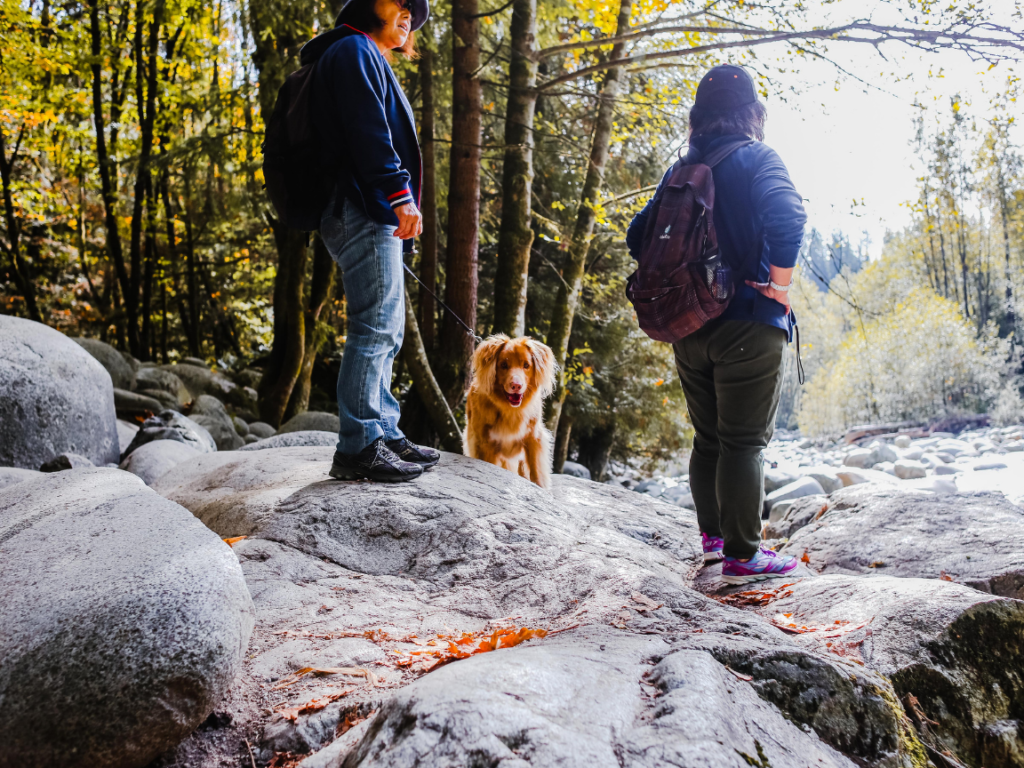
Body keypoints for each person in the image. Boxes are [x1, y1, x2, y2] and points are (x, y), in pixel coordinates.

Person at [626, 64, 807, 584]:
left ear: (698, 119)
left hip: (688, 324)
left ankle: (712, 545)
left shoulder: (680, 170)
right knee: (744, 442)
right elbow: (788, 216)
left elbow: (638, 237)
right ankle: (743, 555)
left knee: (708, 439)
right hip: (749, 320)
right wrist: (779, 285)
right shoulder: (757, 158)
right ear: (752, 113)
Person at [308, 0, 439, 482]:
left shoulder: (362, 54)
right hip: (362, 206)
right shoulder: (355, 51)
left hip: (364, 207)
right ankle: (359, 445)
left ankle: (382, 429)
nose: (408, 13)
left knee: (388, 327)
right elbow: (369, 133)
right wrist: (399, 194)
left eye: (414, 11)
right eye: (399, 3)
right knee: (375, 327)